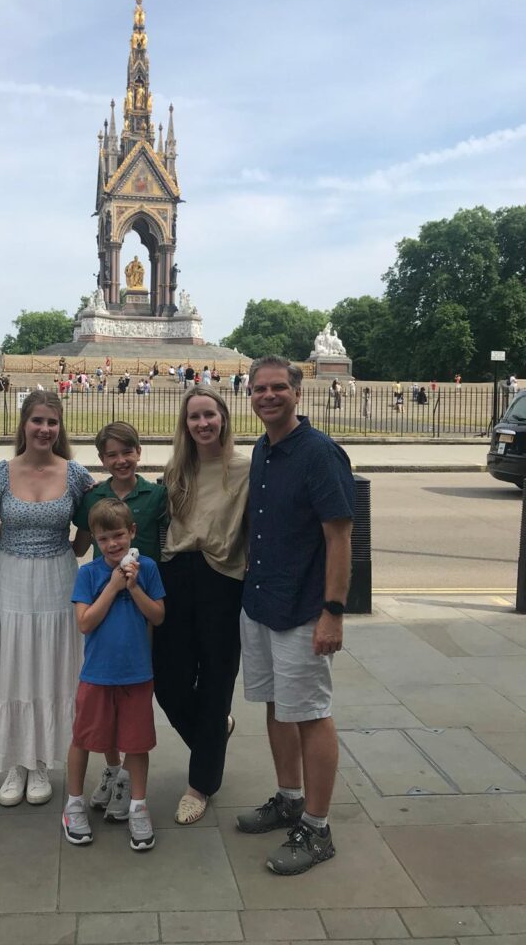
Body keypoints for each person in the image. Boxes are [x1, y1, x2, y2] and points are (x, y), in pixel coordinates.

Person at [236, 356, 355, 876]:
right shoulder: (263, 449)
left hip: (304, 608)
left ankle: (318, 825)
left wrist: (333, 612)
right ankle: (289, 797)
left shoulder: (319, 453)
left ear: (298, 392)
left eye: (278, 387)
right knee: (275, 706)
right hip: (262, 603)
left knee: (308, 712)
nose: (268, 395)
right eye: (259, 388)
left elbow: (339, 536)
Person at [0, 391, 94, 809]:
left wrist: (70, 544)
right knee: (14, 662)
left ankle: (41, 759)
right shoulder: (0, 474)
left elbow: (90, 529)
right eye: (37, 421)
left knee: (52, 665)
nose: (45, 429)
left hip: (59, 577)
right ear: (24, 424)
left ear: (60, 428)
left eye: (52, 423)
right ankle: (16, 762)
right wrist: (19, 539)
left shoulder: (76, 474)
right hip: (9, 576)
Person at [153, 386, 251, 825]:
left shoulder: (247, 469)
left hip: (223, 578)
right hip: (177, 574)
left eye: (209, 415)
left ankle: (201, 784)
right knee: (168, 682)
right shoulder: (177, 470)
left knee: (215, 682)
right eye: (194, 417)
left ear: (224, 417)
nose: (203, 423)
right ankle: (214, 735)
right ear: (185, 424)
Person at [73, 422, 169, 820]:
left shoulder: (157, 494)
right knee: (104, 700)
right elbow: (81, 541)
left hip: (143, 590)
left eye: (126, 452)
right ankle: (114, 771)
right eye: (111, 455)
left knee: (135, 693)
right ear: (102, 460)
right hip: (104, 595)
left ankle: (129, 780)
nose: (120, 460)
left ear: (139, 452)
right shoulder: (95, 494)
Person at [63, 499, 165, 849]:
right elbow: (84, 622)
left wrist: (134, 586)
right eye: (104, 539)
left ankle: (138, 806)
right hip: (97, 674)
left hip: (137, 674)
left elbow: (158, 616)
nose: (112, 545)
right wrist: (113, 586)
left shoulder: (147, 568)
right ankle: (73, 803)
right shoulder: (89, 573)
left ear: (132, 533)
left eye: (119, 536)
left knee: (136, 744)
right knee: (84, 739)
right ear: (94, 540)